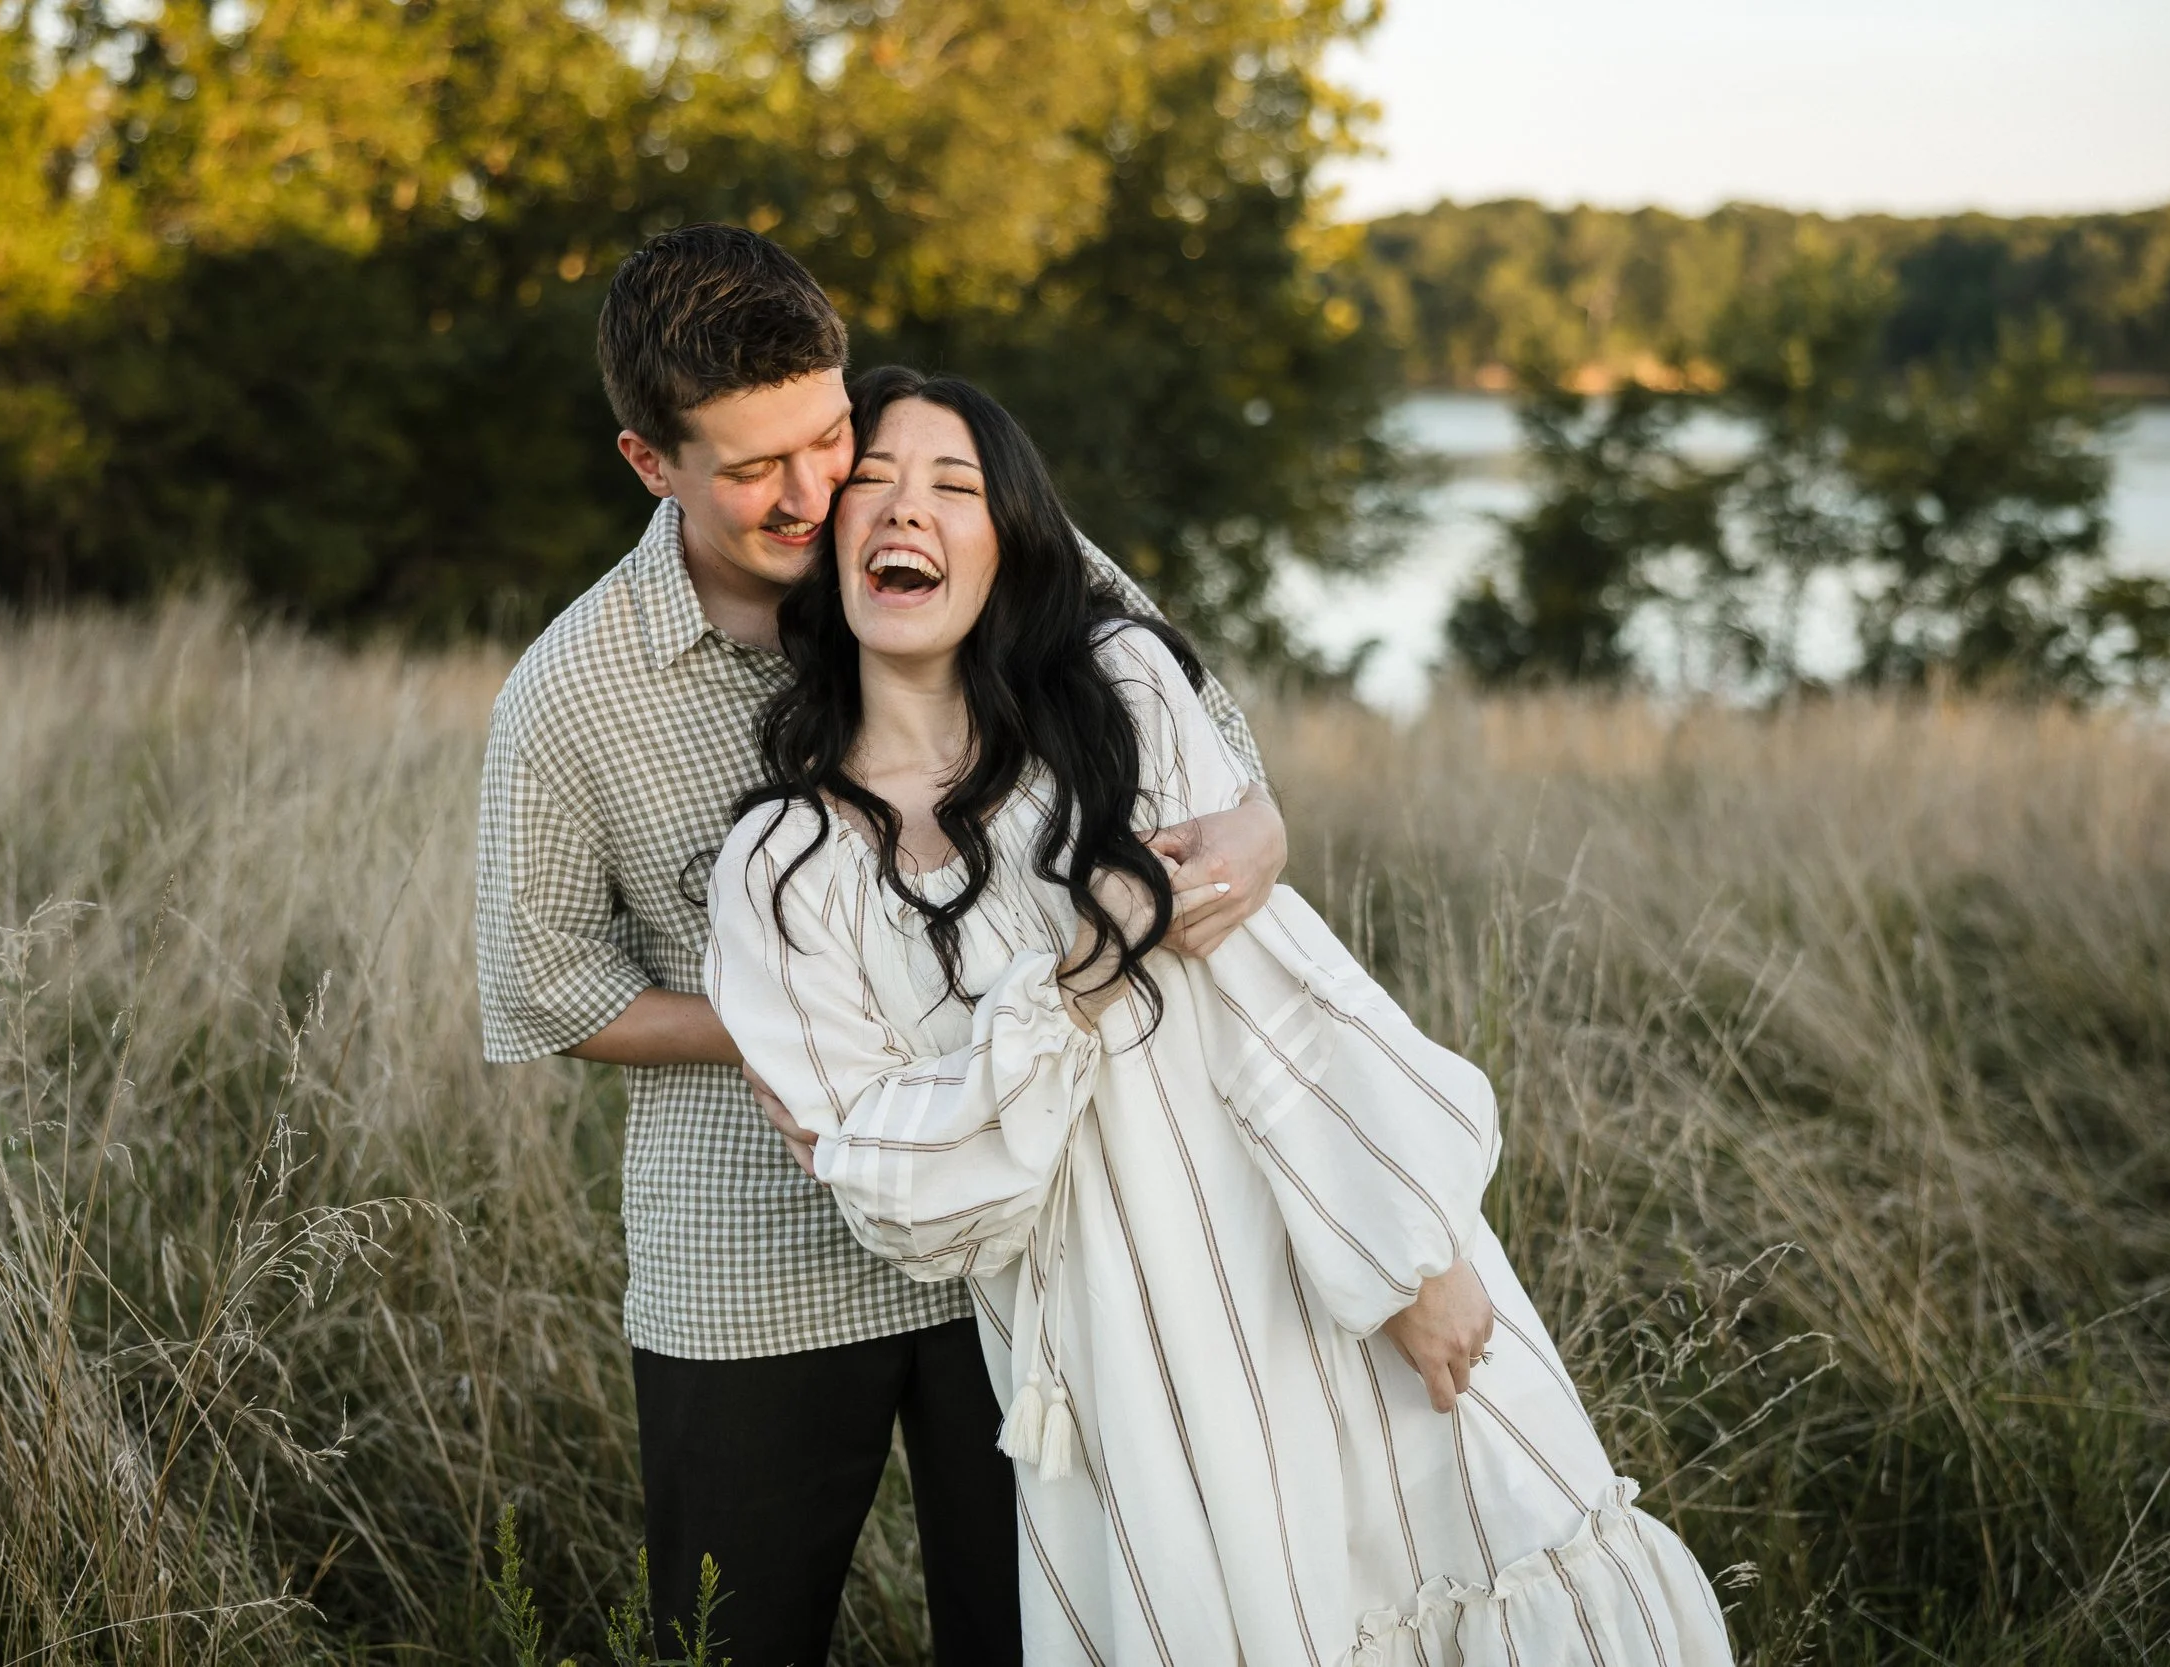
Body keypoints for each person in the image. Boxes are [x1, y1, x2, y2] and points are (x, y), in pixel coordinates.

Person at [705, 366, 1739, 1666]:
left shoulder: (1119, 697)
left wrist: (1419, 1250)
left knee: (1475, 1581)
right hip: (1109, 1355)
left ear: (1010, 541)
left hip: (1320, 1254)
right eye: (874, 483)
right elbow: (901, 1193)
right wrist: (1067, 992)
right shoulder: (784, 865)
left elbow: (1285, 994)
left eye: (953, 485)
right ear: (831, 543)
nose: (905, 507)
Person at [474, 225, 1289, 1666]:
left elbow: (1200, 732)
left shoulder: (931, 509)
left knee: (1037, 1626)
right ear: (648, 462)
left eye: (826, 432)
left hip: (1036, 1212)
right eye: (751, 468)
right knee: (733, 1639)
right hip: (750, 1251)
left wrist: (1257, 836)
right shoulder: (569, 694)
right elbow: (547, 989)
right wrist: (823, 1017)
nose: (815, 493)